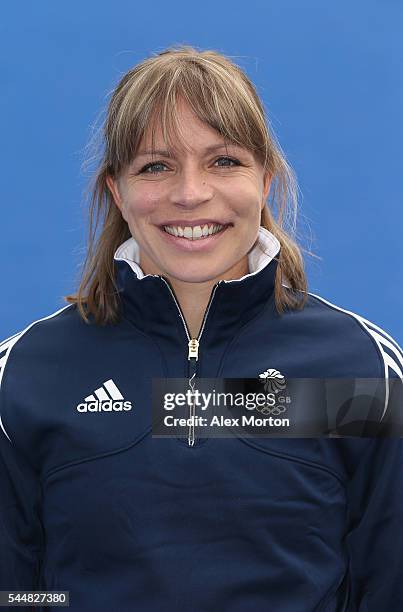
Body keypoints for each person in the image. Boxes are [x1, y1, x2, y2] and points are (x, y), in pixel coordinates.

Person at [0, 44, 402, 612]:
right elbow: (16, 592)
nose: (190, 194)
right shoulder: (25, 376)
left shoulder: (362, 371)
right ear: (118, 190)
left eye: (224, 161)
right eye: (156, 166)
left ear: (264, 181)